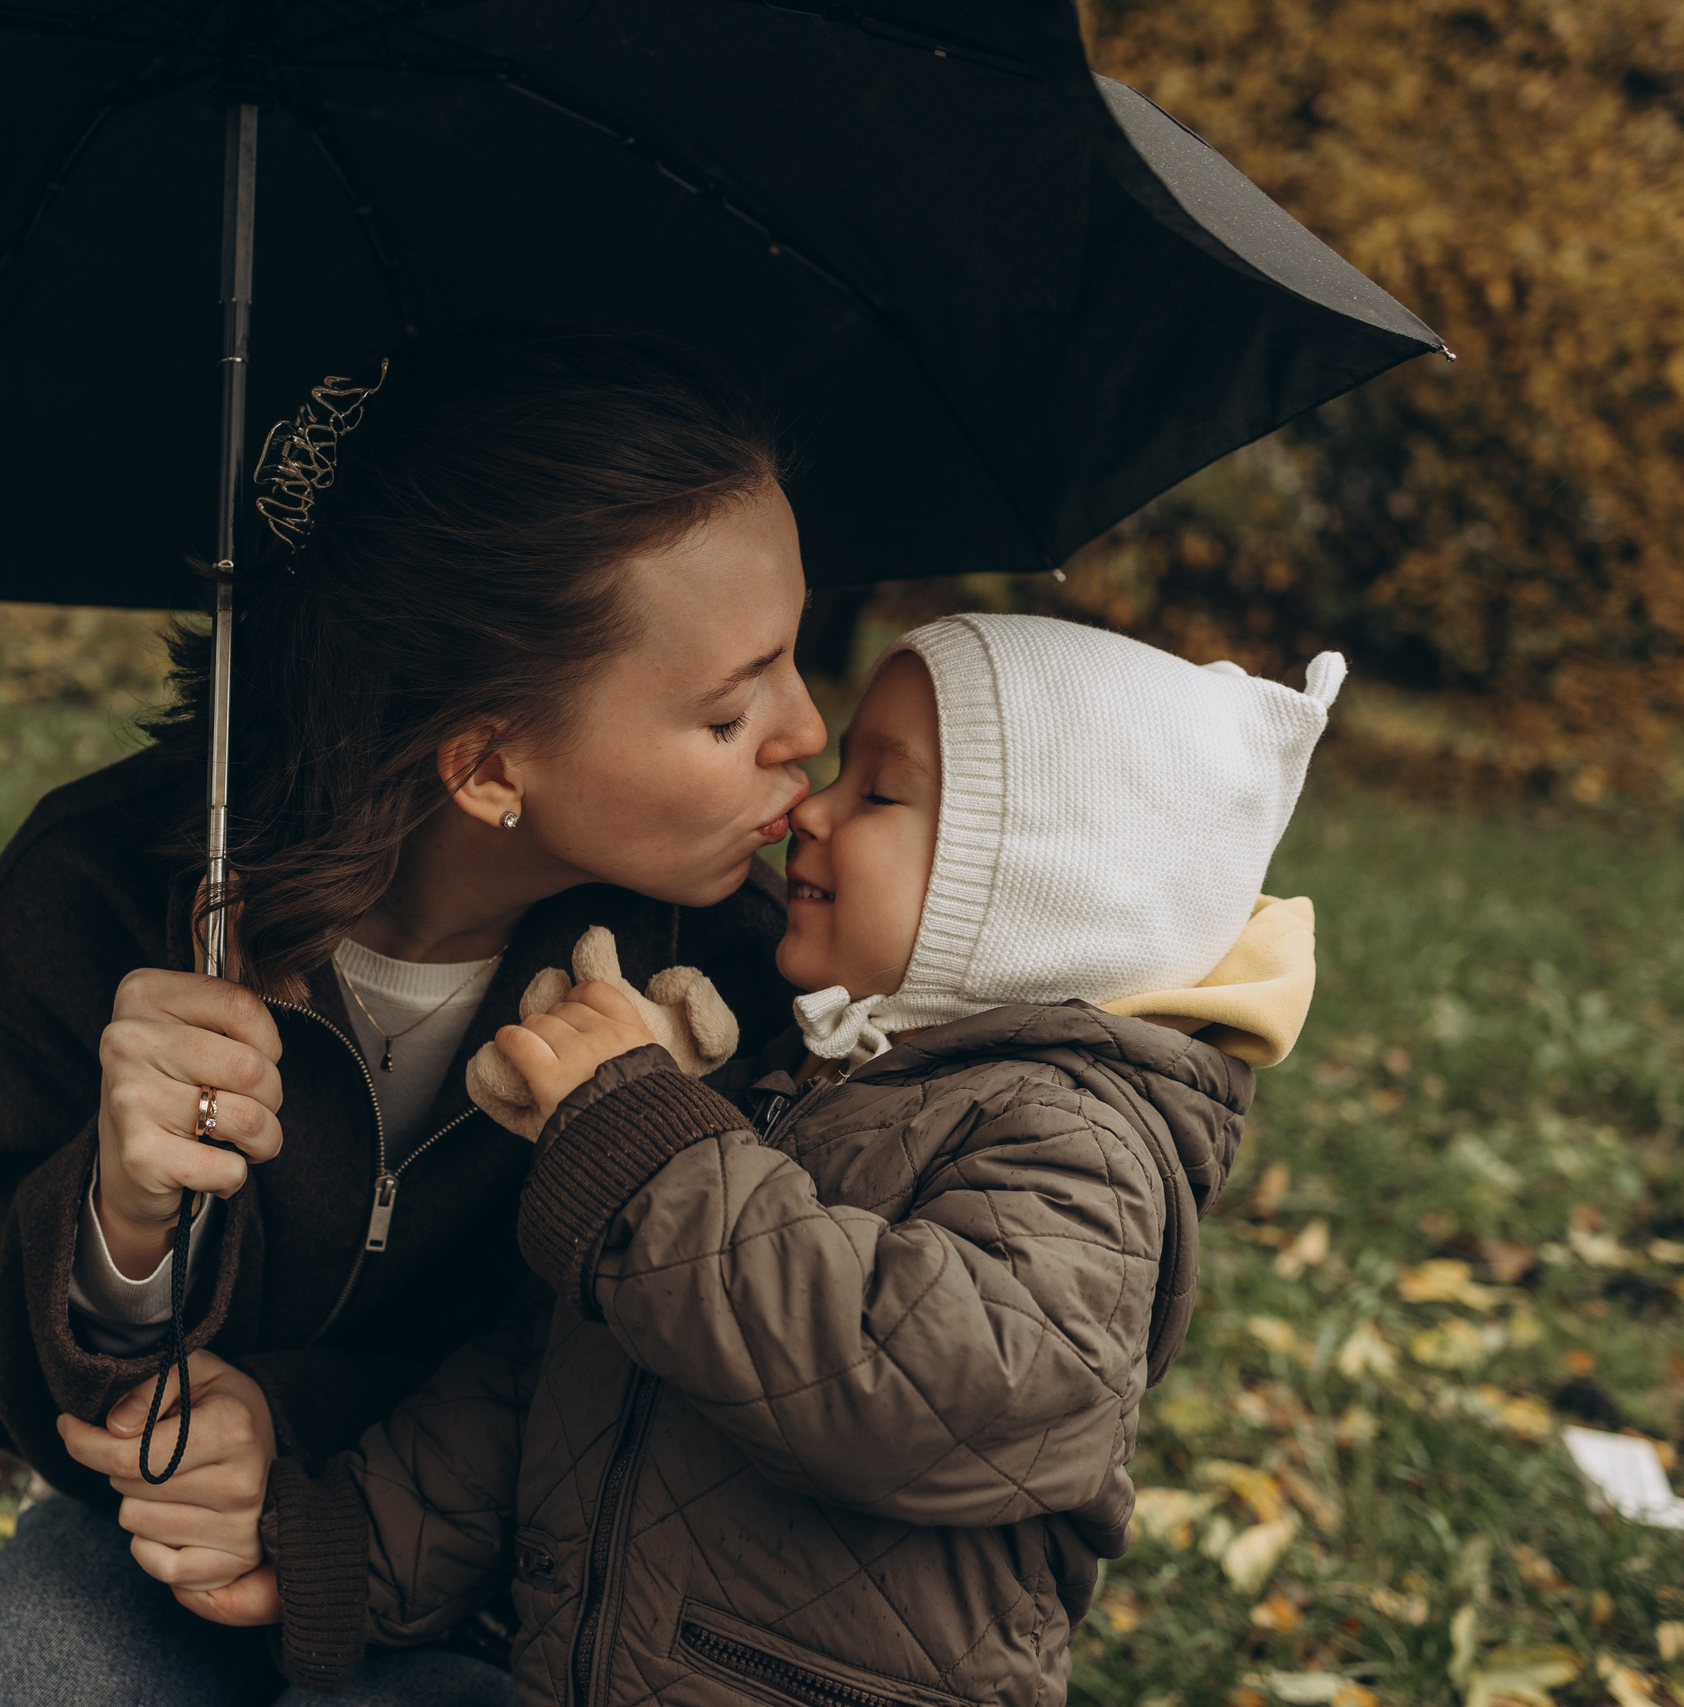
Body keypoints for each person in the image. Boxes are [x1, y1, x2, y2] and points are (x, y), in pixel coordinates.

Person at [0, 327, 827, 1705]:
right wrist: (121, 1218)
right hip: (173, 1566)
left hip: (513, 1585)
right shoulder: (101, 894)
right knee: (38, 1670)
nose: (807, 731)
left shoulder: (730, 966)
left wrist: (291, 1421)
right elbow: (33, 1386)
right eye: (731, 707)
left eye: (796, 659)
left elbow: (651, 1392)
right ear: (490, 758)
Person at [240, 615, 1341, 1703]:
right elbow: (563, 1372)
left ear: (1031, 888)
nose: (809, 806)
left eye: (880, 791)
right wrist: (346, 1547)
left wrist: (651, 1160)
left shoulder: (1078, 1138)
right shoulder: (793, 1085)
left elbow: (949, 1388)